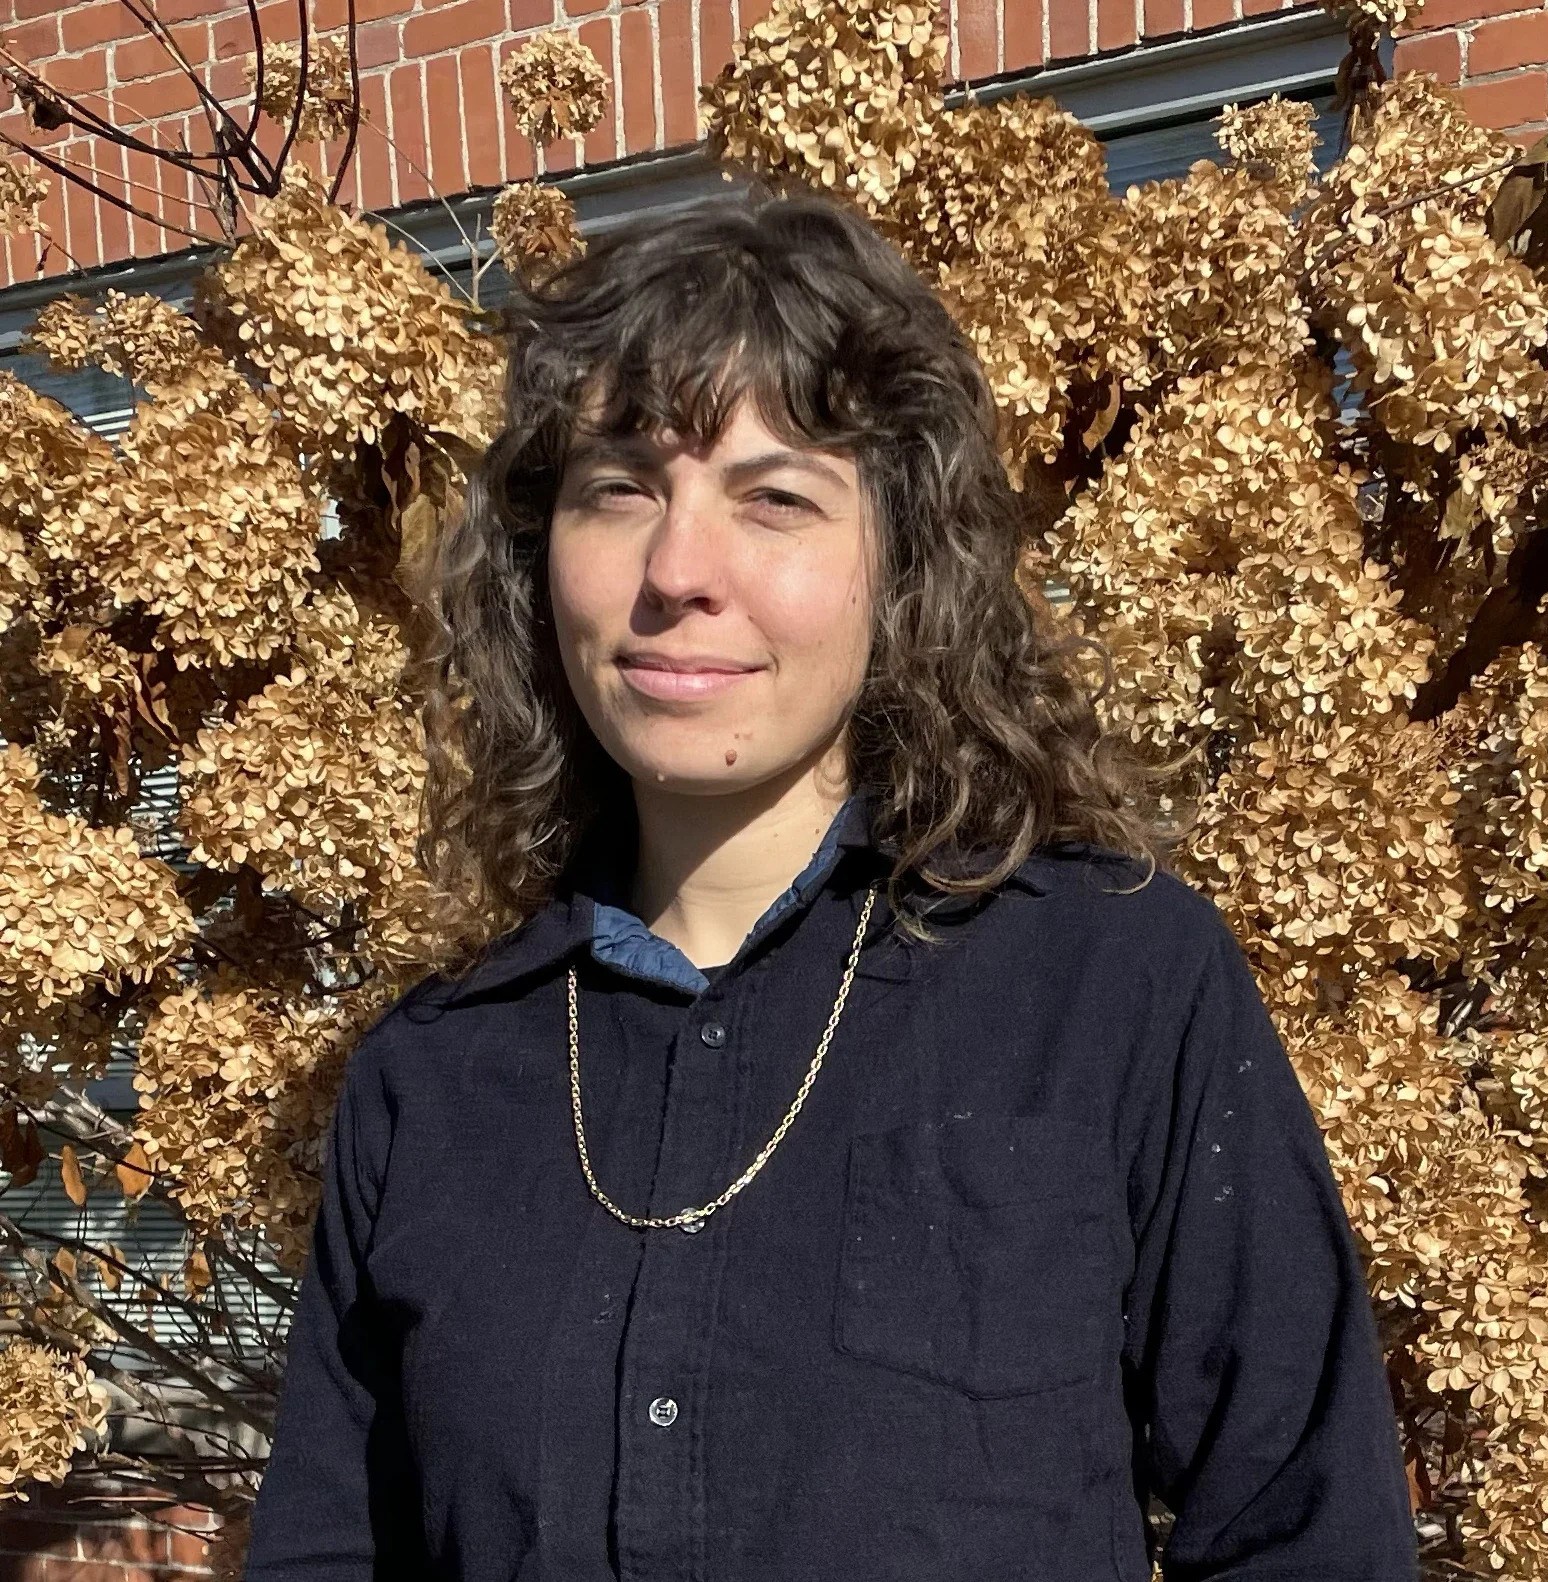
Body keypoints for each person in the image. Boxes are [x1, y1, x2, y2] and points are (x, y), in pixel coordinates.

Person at [245, 191, 1419, 1582]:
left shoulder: (1110, 986)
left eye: (777, 498)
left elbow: (1304, 1528)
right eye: (618, 488)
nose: (678, 572)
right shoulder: (429, 1081)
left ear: (901, 561)